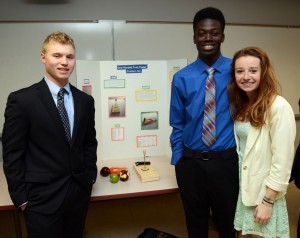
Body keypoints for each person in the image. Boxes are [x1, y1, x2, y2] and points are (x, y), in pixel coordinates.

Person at [2, 32, 98, 238]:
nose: (64, 62)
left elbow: (89, 142)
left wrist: (89, 176)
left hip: (78, 194)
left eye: (69, 57)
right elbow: (12, 153)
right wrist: (21, 198)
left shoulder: (85, 101)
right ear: (43, 57)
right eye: (57, 55)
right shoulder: (22, 100)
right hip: (40, 200)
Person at [169, 7, 239, 238]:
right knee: (195, 225)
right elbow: (177, 122)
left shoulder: (236, 72)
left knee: (228, 225)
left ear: (222, 36)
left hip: (226, 163)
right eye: (202, 33)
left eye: (214, 32)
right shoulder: (182, 77)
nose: (208, 38)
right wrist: (180, 159)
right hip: (191, 165)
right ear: (194, 37)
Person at [227, 46, 296, 237]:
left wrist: (268, 201)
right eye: (240, 71)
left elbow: (282, 160)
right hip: (244, 190)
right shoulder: (242, 105)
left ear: (263, 73)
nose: (246, 76)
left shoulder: (278, 106)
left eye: (253, 71)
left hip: (263, 194)